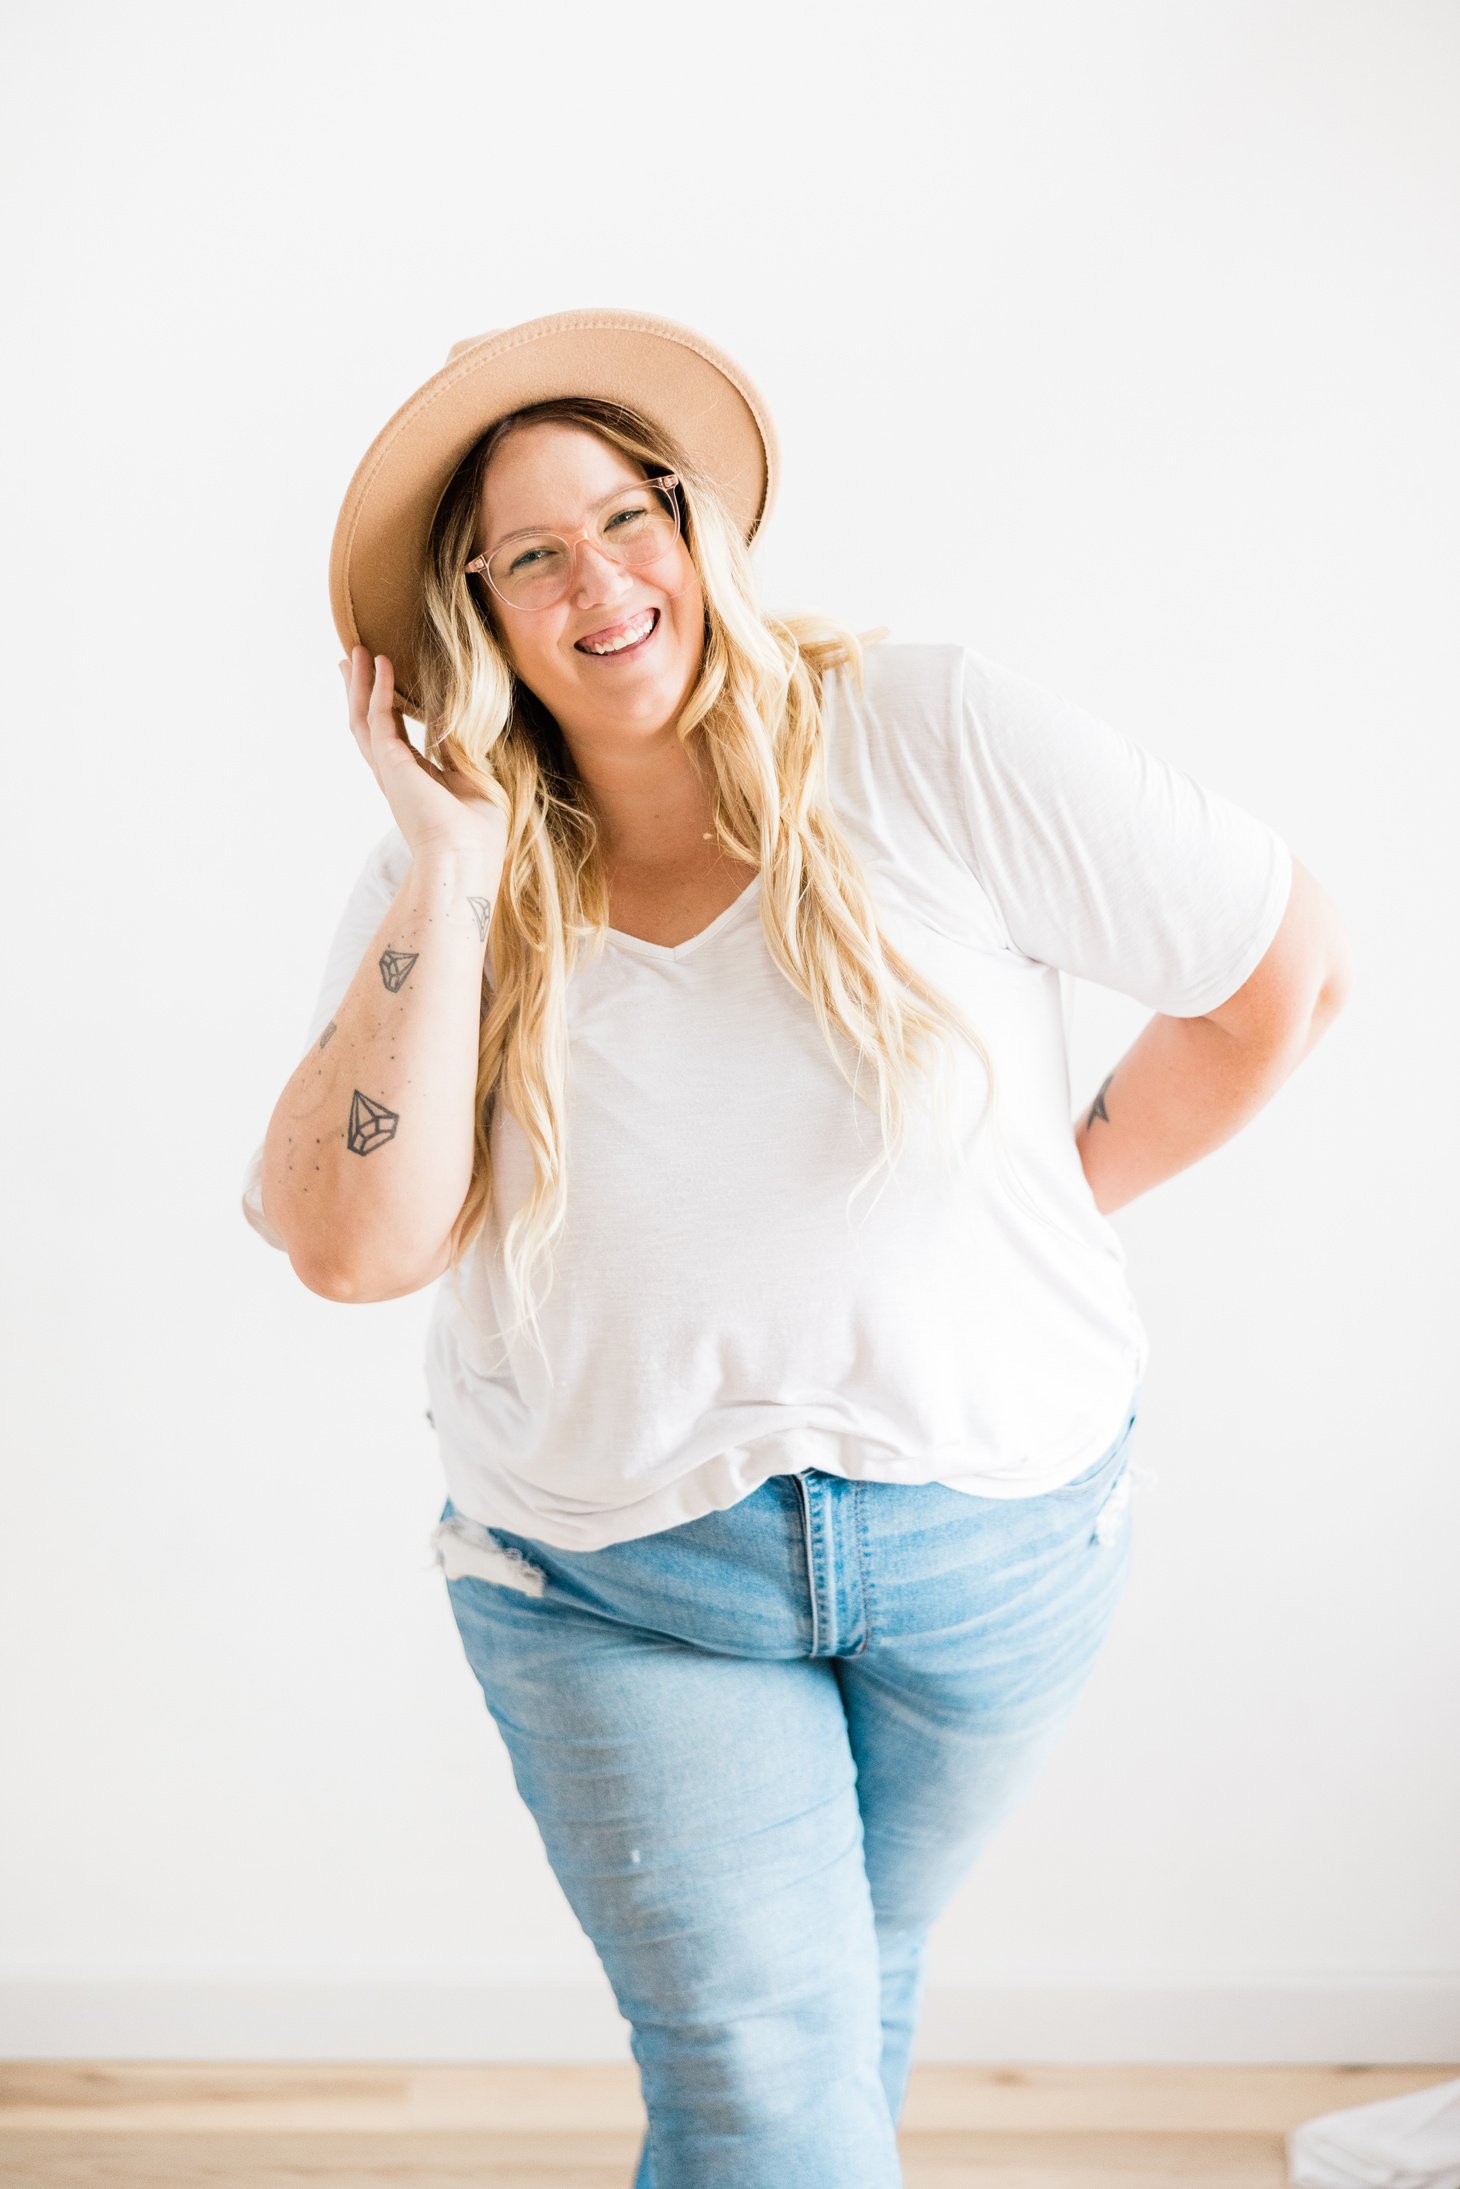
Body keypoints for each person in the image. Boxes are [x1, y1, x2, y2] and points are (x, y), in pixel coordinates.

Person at [241, 307, 1353, 2189]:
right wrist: (441, 863)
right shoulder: (449, 873)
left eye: (630, 514)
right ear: (477, 618)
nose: (603, 581)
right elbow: (354, 1247)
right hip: (616, 1588)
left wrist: (1054, 1206)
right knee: (766, 2089)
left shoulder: (915, 731)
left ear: (698, 525)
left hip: (996, 1545)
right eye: (532, 556)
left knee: (828, 2007)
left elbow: (1282, 972)